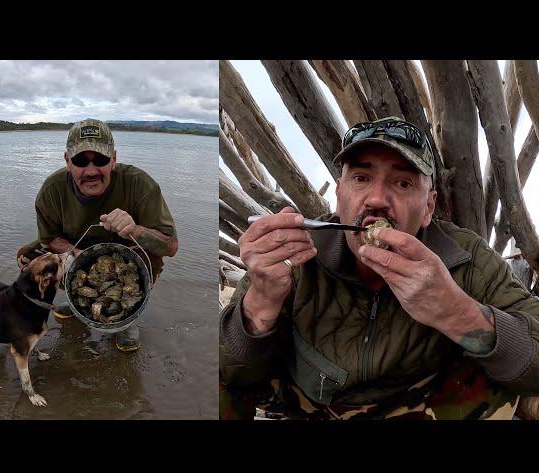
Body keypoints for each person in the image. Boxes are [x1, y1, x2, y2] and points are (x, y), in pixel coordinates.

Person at [220, 117, 539, 420]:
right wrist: (261, 303)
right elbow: (227, 368)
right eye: (361, 178)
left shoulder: (464, 258)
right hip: (308, 404)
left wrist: (456, 312)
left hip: (413, 408)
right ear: (339, 195)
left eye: (402, 183)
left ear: (428, 207)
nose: (376, 199)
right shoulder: (296, 255)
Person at [17, 119, 177, 353]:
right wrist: (81, 257)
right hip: (78, 246)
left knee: (149, 255)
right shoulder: (52, 190)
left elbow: (171, 246)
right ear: (67, 161)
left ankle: (127, 317)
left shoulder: (140, 184)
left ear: (113, 159)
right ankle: (78, 300)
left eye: (100, 160)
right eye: (81, 161)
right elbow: (49, 238)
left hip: (128, 253)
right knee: (28, 257)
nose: (91, 171)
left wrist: (135, 230)